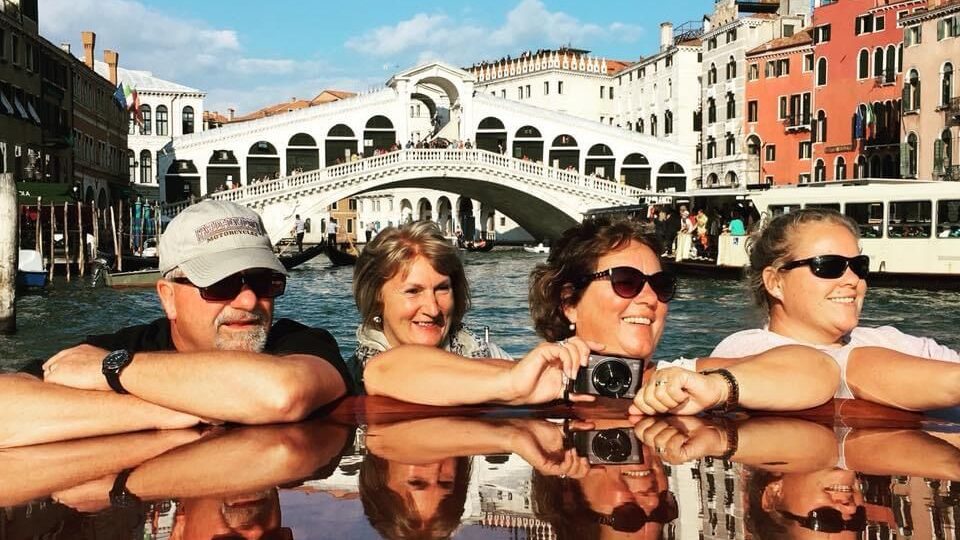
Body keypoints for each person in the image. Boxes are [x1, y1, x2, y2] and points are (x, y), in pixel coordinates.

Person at [0, 200, 352, 449]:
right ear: (168, 297)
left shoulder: (301, 341)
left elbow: (281, 394)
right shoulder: (124, 344)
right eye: (221, 284)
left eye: (264, 282)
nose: (248, 301)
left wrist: (117, 372)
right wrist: (156, 410)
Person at [528, 216, 841, 416]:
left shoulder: (680, 381)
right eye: (626, 281)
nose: (650, 299)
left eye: (661, 286)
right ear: (569, 302)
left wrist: (719, 389)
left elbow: (820, 368)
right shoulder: (531, 379)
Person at [710, 208, 960, 411]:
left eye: (859, 266)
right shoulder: (747, 349)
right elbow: (828, 371)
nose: (853, 280)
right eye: (829, 266)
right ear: (775, 282)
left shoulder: (890, 339)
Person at [352, 221, 595, 406]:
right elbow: (383, 370)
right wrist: (515, 384)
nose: (433, 308)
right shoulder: (356, 373)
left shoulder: (488, 353)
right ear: (376, 297)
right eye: (413, 291)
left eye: (442, 289)